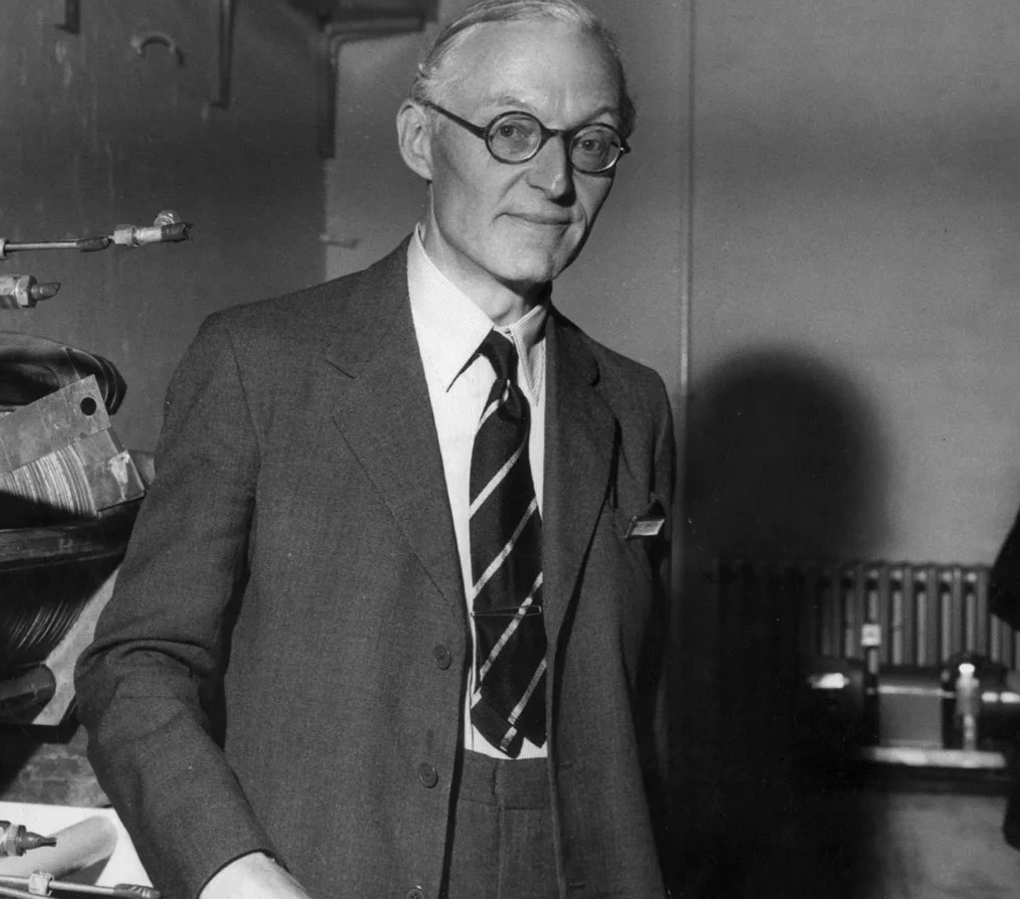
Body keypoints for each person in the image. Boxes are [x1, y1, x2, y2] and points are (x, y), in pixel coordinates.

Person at [75, 2, 675, 897]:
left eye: (590, 143)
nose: (555, 178)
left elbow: (642, 710)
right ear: (420, 139)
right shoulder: (260, 364)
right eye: (513, 130)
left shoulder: (631, 403)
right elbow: (136, 666)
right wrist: (233, 871)